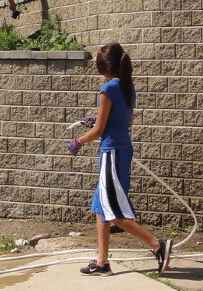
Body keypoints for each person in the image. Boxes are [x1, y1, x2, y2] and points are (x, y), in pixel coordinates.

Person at [67, 43, 172, 276]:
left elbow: (98, 131)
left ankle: (157, 245)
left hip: (111, 153)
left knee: (113, 211)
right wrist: (97, 118)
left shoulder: (107, 89)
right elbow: (126, 120)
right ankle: (102, 262)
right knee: (100, 207)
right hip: (123, 150)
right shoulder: (127, 86)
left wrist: (78, 142)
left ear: (103, 66)